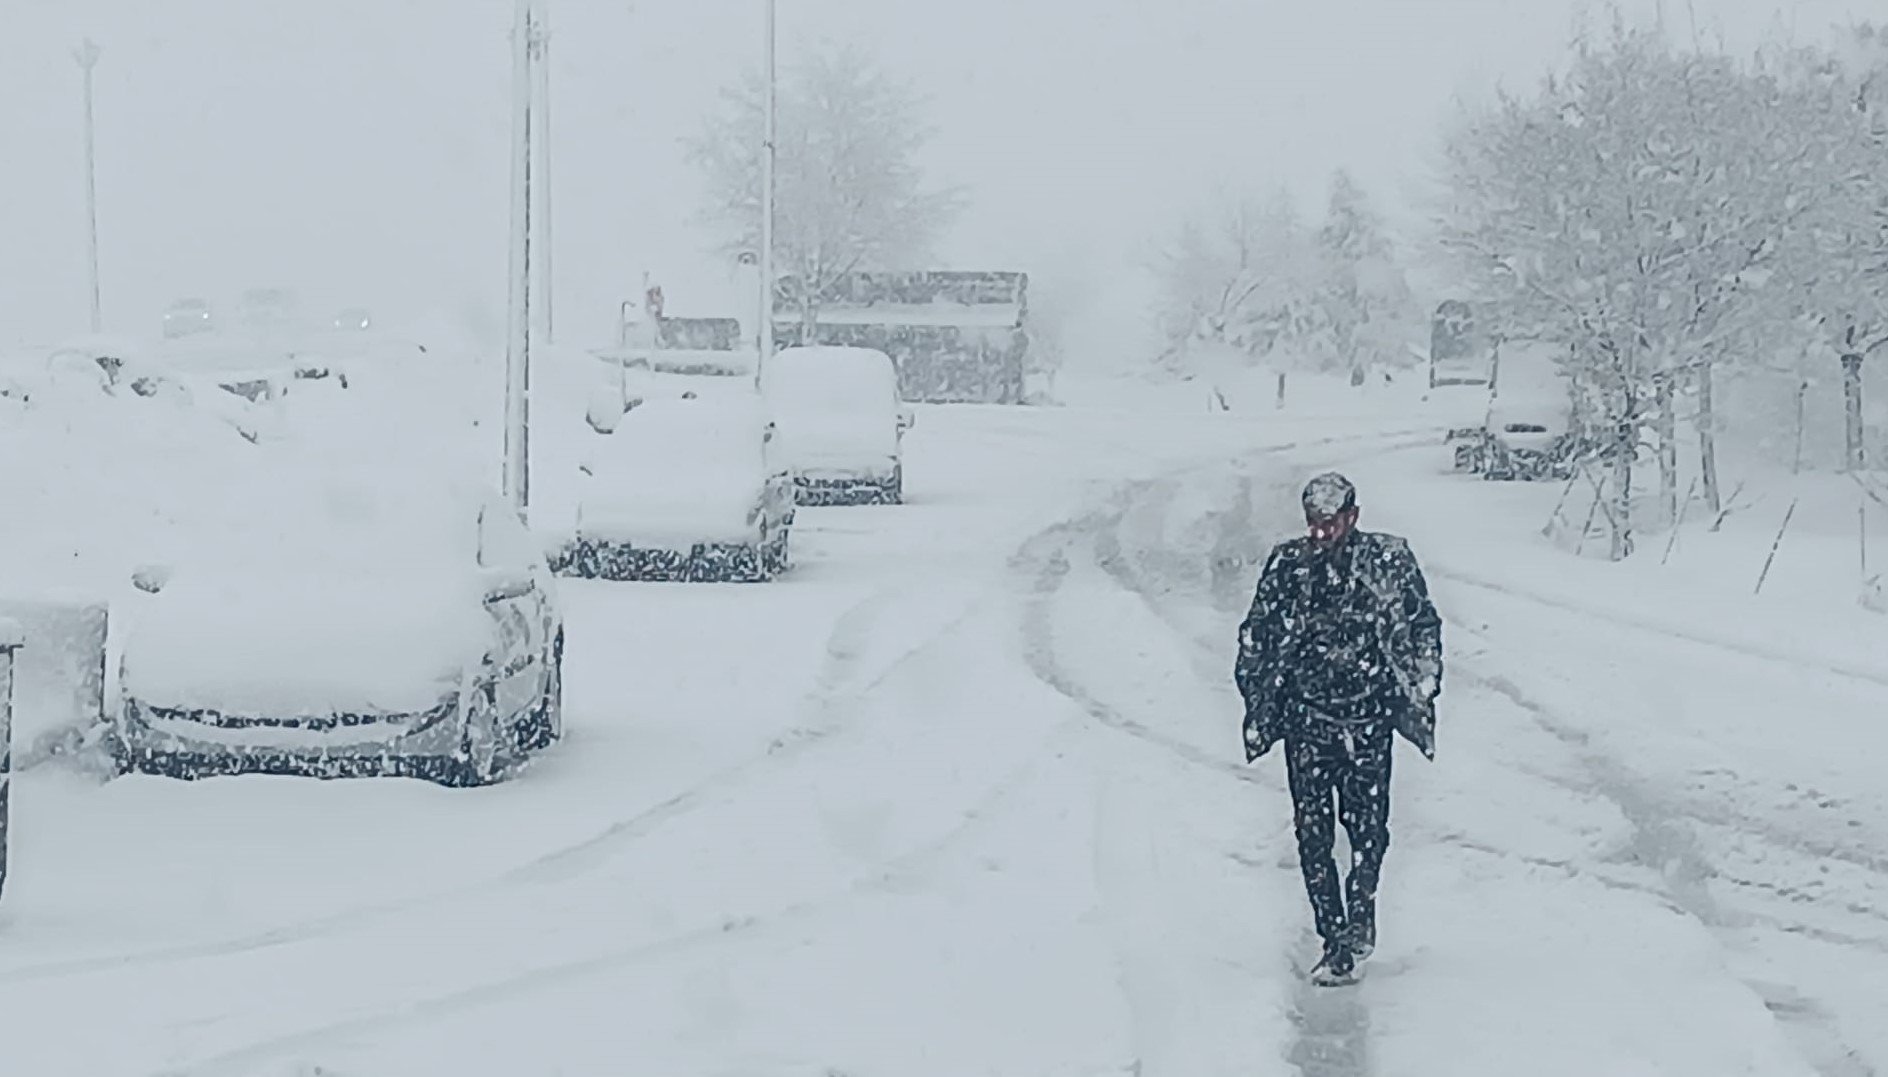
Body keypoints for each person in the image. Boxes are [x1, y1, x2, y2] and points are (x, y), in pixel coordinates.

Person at [1233, 472, 1442, 986]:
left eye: (1332, 522)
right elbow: (1256, 633)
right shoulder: (1288, 565)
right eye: (1314, 523)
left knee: (1369, 829)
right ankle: (1335, 939)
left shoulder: (1388, 561)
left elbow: (1423, 625)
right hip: (1307, 722)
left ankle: (1361, 914)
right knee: (1312, 835)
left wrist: (1424, 681)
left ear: (1354, 516)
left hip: (1369, 720)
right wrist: (1258, 693)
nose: (1322, 533)